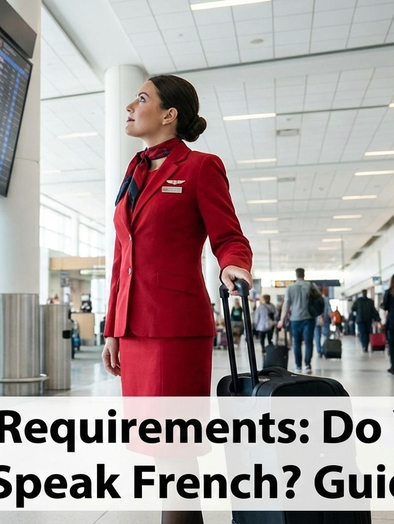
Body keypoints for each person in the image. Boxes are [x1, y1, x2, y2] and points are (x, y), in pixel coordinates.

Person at [100, 74, 252, 524]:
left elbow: (228, 236)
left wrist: (233, 265)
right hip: (135, 329)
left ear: (169, 115)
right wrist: (112, 328)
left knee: (175, 450)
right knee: (158, 449)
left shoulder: (201, 167)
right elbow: (120, 257)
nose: (130, 105)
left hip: (174, 328)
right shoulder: (134, 170)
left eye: (141, 98)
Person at [278, 268, 320, 374]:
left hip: (295, 319)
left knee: (296, 342)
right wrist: (320, 316)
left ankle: (297, 366)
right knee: (309, 342)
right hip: (309, 318)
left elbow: (286, 304)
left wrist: (281, 319)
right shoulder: (311, 286)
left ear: (296, 275)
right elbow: (318, 302)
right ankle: (307, 365)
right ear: (304, 275)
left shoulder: (290, 288)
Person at [313, 288, 331, 358]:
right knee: (326, 335)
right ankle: (325, 349)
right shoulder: (326, 299)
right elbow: (329, 310)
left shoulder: (314, 299)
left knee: (317, 336)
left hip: (316, 320)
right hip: (325, 319)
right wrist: (332, 319)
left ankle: (319, 351)